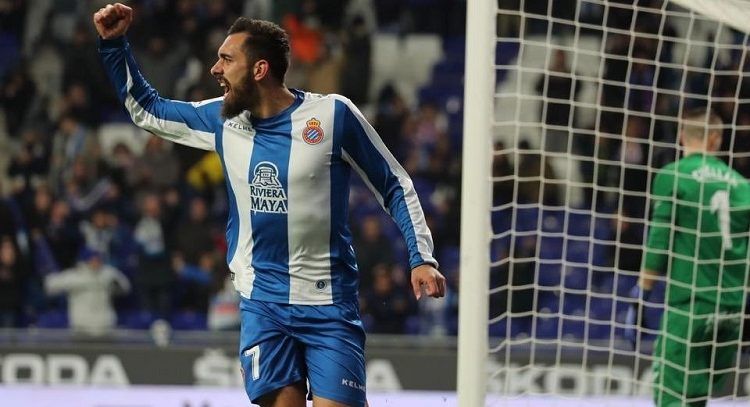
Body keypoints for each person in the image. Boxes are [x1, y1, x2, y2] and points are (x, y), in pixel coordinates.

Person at [93, 4, 445, 407]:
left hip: (328, 305)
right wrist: (114, 44)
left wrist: (422, 257)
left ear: (259, 70)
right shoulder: (222, 121)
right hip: (263, 305)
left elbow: (395, 184)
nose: (215, 69)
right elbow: (148, 110)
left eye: (226, 59)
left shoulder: (332, 116)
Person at [627, 107, 750, 406]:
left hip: (690, 305)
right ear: (717, 140)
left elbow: (659, 240)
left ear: (681, 136)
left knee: (670, 394)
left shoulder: (674, 176)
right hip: (731, 310)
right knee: (697, 394)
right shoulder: (743, 186)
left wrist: (642, 292)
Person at [44, 246, 131, 336]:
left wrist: (116, 286)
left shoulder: (107, 273)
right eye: (93, 259)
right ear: (85, 260)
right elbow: (50, 285)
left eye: (98, 259)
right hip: (82, 326)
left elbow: (125, 287)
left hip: (105, 325)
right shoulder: (75, 275)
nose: (96, 262)